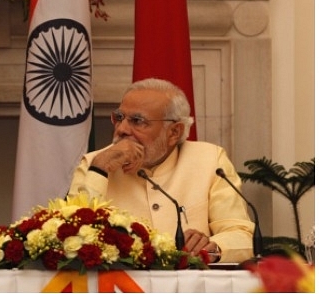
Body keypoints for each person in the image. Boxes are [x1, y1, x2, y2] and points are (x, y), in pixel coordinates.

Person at [68, 78, 254, 263]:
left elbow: (241, 235)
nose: (122, 129)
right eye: (119, 117)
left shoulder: (210, 160)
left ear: (174, 132)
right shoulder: (94, 164)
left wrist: (212, 248)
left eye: (137, 121)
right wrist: (99, 169)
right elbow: (69, 237)